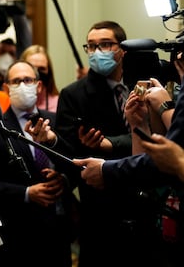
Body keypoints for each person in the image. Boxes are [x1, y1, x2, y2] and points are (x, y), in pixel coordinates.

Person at [73, 53, 184, 266]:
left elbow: (176, 151)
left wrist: (164, 108)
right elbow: (149, 165)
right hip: (160, 229)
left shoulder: (168, 104)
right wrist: (138, 125)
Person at [0, 60, 74, 267]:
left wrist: (64, 179)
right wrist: (27, 193)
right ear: (6, 88)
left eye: (27, 80)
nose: (22, 85)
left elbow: (75, 162)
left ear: (39, 85)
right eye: (16, 81)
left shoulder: (56, 120)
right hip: (19, 232)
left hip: (58, 228)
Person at [54, 20, 141, 267]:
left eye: (105, 44)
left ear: (122, 49)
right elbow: (67, 153)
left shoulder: (142, 84)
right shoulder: (74, 94)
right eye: (91, 47)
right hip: (101, 205)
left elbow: (155, 135)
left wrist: (109, 145)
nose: (97, 52)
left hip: (144, 196)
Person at [20, 44, 60, 112]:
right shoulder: (14, 103)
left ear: (49, 71)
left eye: (42, 69)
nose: (37, 73)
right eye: (32, 67)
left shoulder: (59, 103)